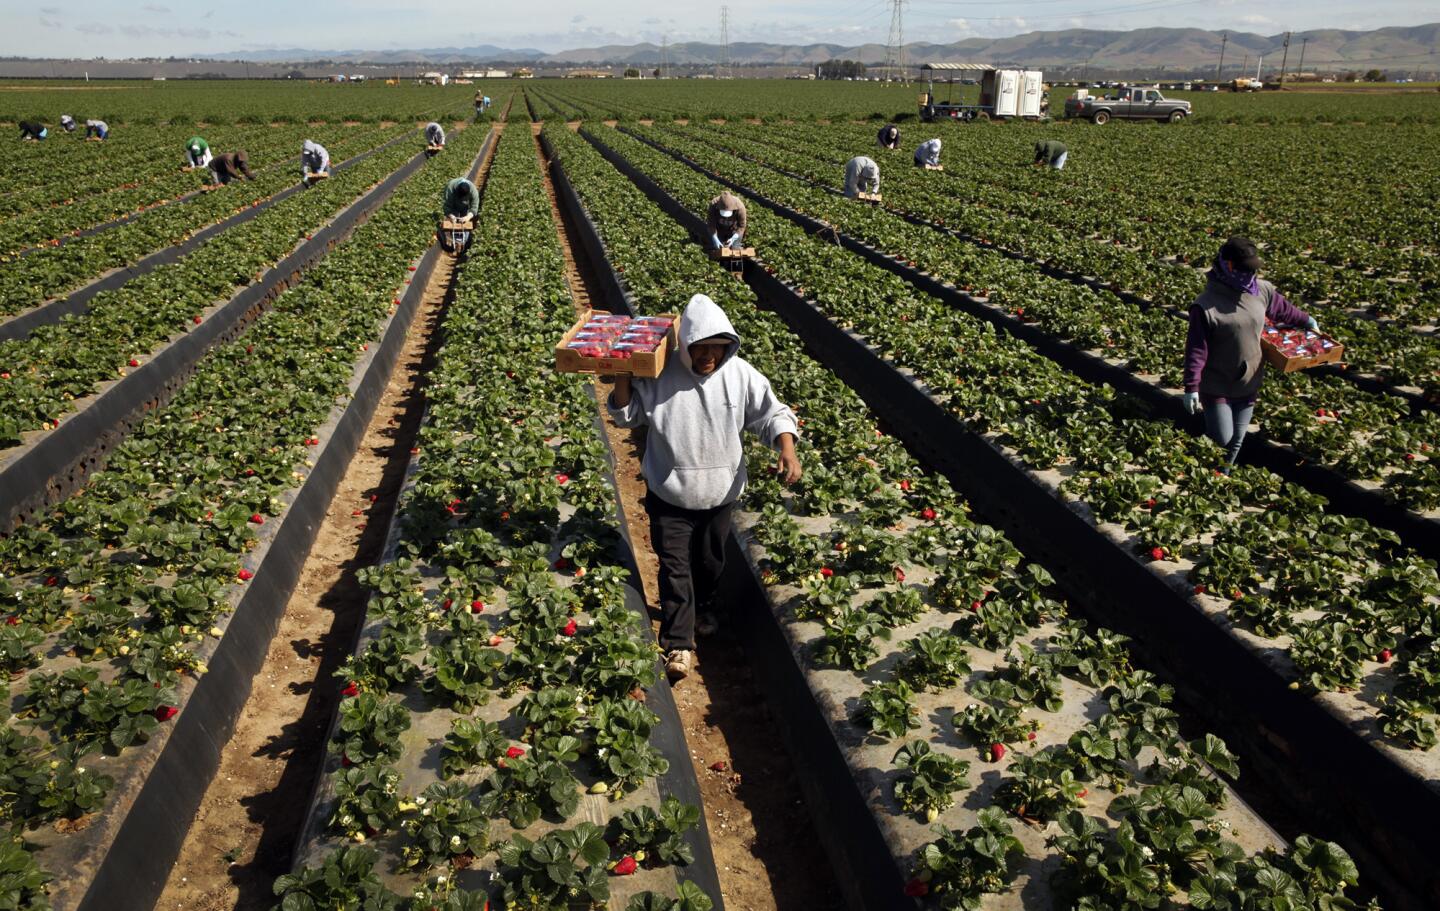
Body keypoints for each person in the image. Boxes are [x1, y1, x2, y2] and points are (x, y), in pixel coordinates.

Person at [608, 294, 802, 681]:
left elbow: (771, 413)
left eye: (718, 347)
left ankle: (706, 608)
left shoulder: (740, 374)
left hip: (719, 496)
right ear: (686, 346)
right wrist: (624, 372)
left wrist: (787, 447)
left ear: (729, 345)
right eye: (701, 347)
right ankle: (678, 642)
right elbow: (626, 416)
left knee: (711, 564)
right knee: (675, 567)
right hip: (671, 495)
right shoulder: (661, 377)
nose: (709, 355)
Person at [1182, 236, 1318, 470]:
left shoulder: (1261, 290)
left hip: (1248, 380)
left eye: (1252, 269)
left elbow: (1285, 311)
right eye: (1244, 270)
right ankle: (1196, 469)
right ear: (1228, 265)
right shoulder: (1205, 305)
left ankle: (1220, 477)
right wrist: (1191, 386)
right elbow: (1196, 348)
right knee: (1222, 438)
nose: (1249, 275)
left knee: (1237, 439)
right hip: (1216, 383)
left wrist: (1307, 320)